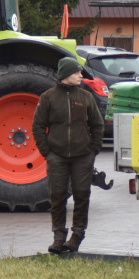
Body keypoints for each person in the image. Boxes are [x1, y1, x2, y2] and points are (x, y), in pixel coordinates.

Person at [31, 57, 105, 254]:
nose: (80, 75)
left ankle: (77, 235)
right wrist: (47, 152)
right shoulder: (47, 98)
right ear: (65, 74)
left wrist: (94, 150)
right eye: (76, 72)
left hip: (83, 156)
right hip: (57, 156)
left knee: (82, 195)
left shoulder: (86, 97)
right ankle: (58, 236)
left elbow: (97, 124)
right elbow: (37, 126)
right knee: (57, 196)